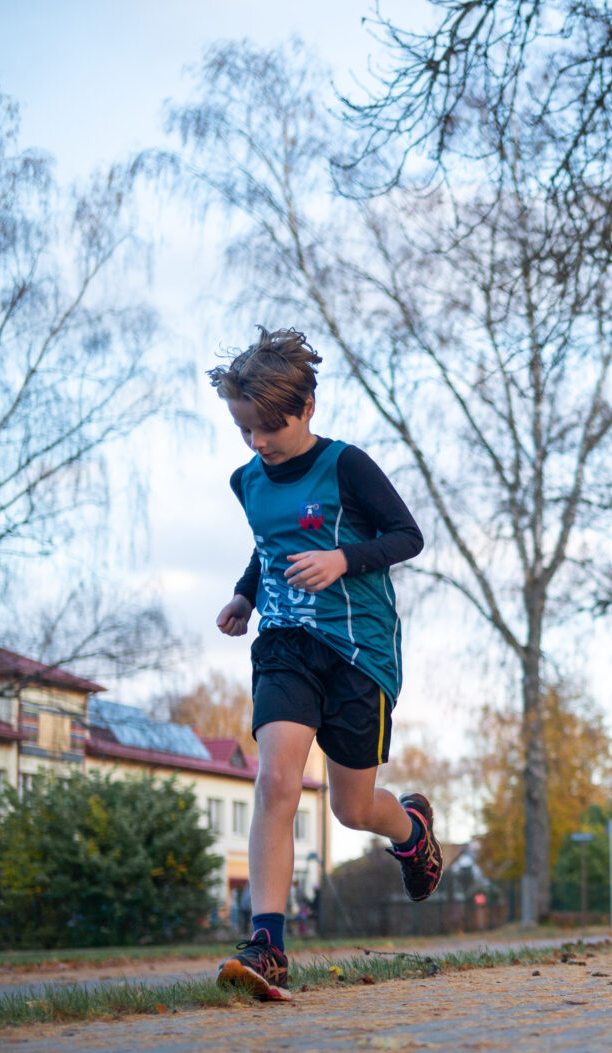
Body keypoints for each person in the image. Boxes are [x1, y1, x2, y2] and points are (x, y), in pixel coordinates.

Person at [209, 328, 443, 1001]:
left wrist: (343, 559)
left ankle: (412, 831)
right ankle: (268, 945)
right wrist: (246, 595)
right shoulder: (247, 481)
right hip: (286, 645)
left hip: (359, 650)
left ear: (307, 407)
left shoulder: (346, 466)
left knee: (351, 807)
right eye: (245, 428)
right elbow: (268, 546)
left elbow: (407, 536)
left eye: (269, 427)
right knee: (277, 781)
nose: (257, 442)